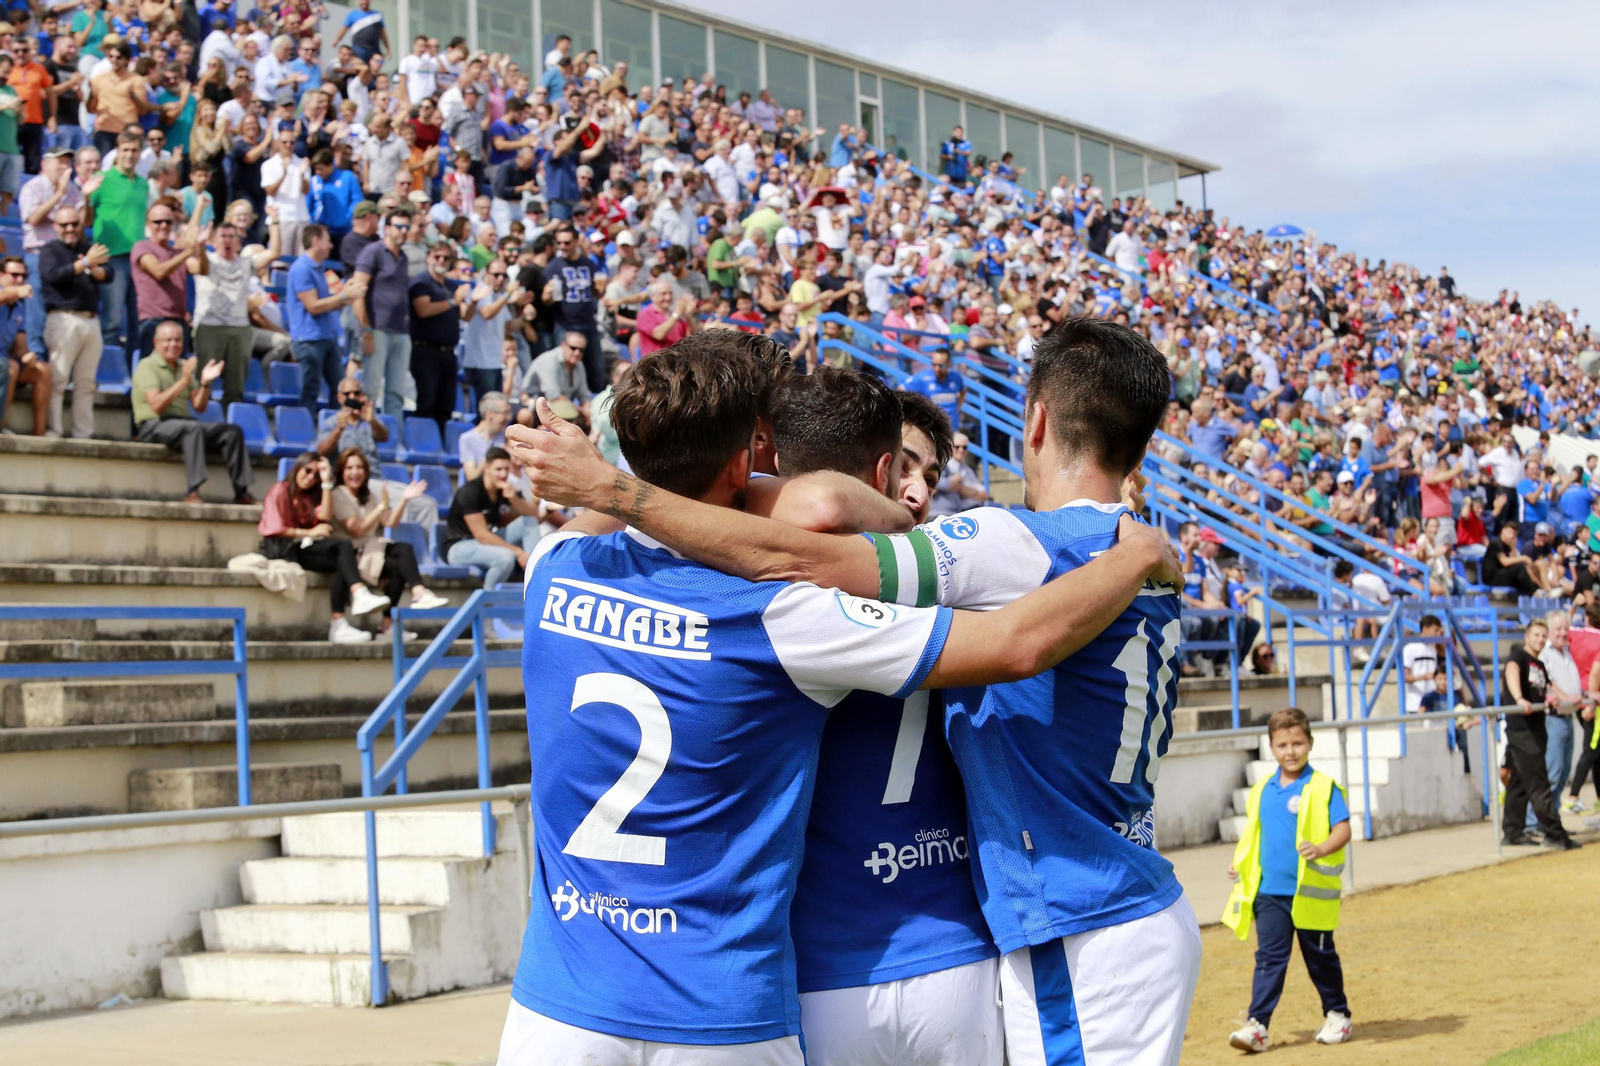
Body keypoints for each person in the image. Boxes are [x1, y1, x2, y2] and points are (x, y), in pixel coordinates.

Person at [505, 317, 1200, 1063]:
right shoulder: (785, 613)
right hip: (836, 980)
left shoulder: (553, 566)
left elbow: (793, 517)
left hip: (582, 1001)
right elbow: (1001, 638)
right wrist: (1134, 558)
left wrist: (611, 482)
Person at [1222, 707, 1353, 1052]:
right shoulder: (1262, 789)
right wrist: (1239, 864)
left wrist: (1321, 848)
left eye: (1297, 743)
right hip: (1268, 894)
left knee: (1320, 959)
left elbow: (1343, 828)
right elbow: (1254, 836)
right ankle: (1257, 1026)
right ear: (1271, 747)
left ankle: (1338, 1015)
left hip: (1310, 896)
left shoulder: (1323, 787)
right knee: (1269, 960)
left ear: (1310, 743)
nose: (1290, 751)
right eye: (1282, 745)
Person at [257, 452, 394, 644]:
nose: (311, 477)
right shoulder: (280, 490)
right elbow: (274, 529)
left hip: (302, 548)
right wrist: (308, 532)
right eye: (308, 471)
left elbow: (325, 516)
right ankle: (359, 594)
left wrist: (327, 482)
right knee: (343, 547)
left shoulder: (313, 495)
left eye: (316, 475)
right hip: (283, 549)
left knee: (343, 560)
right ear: (298, 467)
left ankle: (339, 623)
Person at [328, 446, 450, 639]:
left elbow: (390, 522)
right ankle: (418, 593)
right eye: (349, 468)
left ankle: (389, 623)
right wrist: (381, 507)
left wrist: (403, 500)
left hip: (369, 551)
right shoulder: (338, 494)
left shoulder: (368, 495)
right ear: (341, 471)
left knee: (402, 556)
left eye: (359, 467)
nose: (355, 472)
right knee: (401, 552)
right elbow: (356, 529)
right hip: (349, 555)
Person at [130, 319, 254, 504]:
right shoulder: (147, 366)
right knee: (192, 429)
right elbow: (156, 405)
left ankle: (242, 492)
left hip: (182, 424)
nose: (173, 344)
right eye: (168, 340)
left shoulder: (183, 367)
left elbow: (199, 406)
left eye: (178, 340)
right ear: (156, 342)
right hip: (153, 425)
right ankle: (193, 491)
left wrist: (205, 382)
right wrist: (184, 380)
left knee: (232, 431)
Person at [1501, 617, 1578, 850]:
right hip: (1521, 729)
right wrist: (1519, 699)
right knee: (1539, 783)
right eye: (1536, 635)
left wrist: (1550, 699)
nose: (1540, 639)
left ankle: (1513, 831)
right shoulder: (1518, 657)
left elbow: (1543, 690)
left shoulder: (1540, 665)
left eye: (1543, 636)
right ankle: (1554, 833)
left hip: (1536, 728)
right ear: (1527, 636)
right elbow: (1512, 672)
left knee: (1518, 783)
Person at [190, 213, 279, 408]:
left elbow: (275, 253)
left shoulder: (246, 263)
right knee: (203, 379)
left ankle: (229, 420)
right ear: (214, 241)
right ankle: (200, 418)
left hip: (239, 329)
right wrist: (200, 245)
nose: (227, 240)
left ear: (238, 242)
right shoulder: (207, 259)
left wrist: (274, 221)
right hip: (210, 327)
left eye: (231, 236)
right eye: (222, 236)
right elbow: (201, 265)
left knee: (236, 385)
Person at [38, 204, 107, 439]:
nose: (70, 228)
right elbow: (53, 276)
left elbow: (108, 274)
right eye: (64, 224)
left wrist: (93, 267)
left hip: (91, 320)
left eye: (74, 224)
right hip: (63, 318)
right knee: (58, 379)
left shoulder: (88, 248)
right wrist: (85, 264)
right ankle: (54, 430)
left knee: (86, 384)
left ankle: (83, 434)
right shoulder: (49, 250)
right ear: (55, 226)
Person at [441, 445, 544, 588]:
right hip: (460, 546)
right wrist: (518, 552)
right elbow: (482, 535)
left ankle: (537, 572)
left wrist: (514, 500)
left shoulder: (505, 489)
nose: (503, 474)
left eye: (506, 469)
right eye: (498, 469)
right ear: (486, 468)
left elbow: (535, 515)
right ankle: (488, 597)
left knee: (529, 521)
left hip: (487, 541)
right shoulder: (470, 491)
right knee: (506, 557)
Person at [285, 222, 359, 411]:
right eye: (328, 241)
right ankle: (305, 426)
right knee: (310, 389)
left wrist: (344, 298)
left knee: (339, 389)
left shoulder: (318, 268)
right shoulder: (301, 269)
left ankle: (336, 424)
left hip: (325, 337)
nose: (331, 246)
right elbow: (313, 306)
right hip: (309, 339)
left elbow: (325, 303)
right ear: (316, 241)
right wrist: (344, 296)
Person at [18, 146, 82, 364]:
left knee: (65, 311)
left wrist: (86, 196)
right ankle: (37, 356)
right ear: (45, 164)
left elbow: (81, 222)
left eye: (67, 162)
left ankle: (62, 359)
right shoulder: (32, 187)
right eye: (59, 162)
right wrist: (58, 194)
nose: (64, 167)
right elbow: (34, 218)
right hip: (38, 254)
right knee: (36, 307)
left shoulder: (73, 189)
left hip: (65, 256)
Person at [87, 127, 147, 350]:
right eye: (125, 149)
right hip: (111, 256)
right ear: (117, 151)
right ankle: (107, 365)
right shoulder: (102, 179)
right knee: (111, 319)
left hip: (138, 259)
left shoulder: (143, 184)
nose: (130, 154)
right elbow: (86, 217)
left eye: (134, 150)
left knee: (138, 318)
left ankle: (133, 366)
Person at [351, 205, 412, 414]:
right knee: (370, 389)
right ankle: (366, 430)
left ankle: (393, 431)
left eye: (407, 227)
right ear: (386, 228)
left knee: (396, 393)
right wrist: (366, 330)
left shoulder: (403, 257)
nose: (403, 231)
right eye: (399, 226)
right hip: (376, 329)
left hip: (400, 331)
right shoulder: (372, 252)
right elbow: (357, 292)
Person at [408, 240, 469, 434]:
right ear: (428, 257)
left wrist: (473, 301)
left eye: (446, 257)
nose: (442, 260)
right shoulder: (421, 281)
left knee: (446, 405)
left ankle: (441, 444)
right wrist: (453, 301)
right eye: (437, 256)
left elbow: (466, 315)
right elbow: (423, 310)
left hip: (449, 352)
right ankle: (423, 443)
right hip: (426, 351)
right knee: (427, 402)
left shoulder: (451, 285)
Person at [131, 198, 199, 359]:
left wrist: (200, 247)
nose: (163, 226)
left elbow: (201, 269)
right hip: (153, 322)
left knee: (179, 371)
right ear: (148, 224)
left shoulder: (177, 253)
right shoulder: (142, 247)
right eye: (157, 222)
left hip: (178, 322)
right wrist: (187, 252)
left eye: (168, 222)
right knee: (153, 370)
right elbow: (158, 271)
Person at [0, 256, 48, 435]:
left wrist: (29, 356)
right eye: (14, 275)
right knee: (10, 367)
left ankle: (39, 438)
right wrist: (14, 292)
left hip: (4, 360)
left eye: (23, 276)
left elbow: (20, 348)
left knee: (43, 370)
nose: (20, 280)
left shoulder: (19, 307)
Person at [521, 331, 592, 425]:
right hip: (533, 405)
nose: (577, 352)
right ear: (563, 345)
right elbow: (554, 397)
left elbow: (584, 395)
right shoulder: (549, 360)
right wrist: (582, 411)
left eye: (581, 350)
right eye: (573, 348)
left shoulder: (579, 365)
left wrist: (587, 411)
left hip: (562, 408)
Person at [900, 348, 964, 428]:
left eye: (941, 365)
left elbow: (963, 390)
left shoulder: (956, 378)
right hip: (934, 429)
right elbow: (901, 389)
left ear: (949, 363)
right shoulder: (923, 378)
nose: (937, 369)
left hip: (953, 428)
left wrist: (958, 407)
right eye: (934, 365)